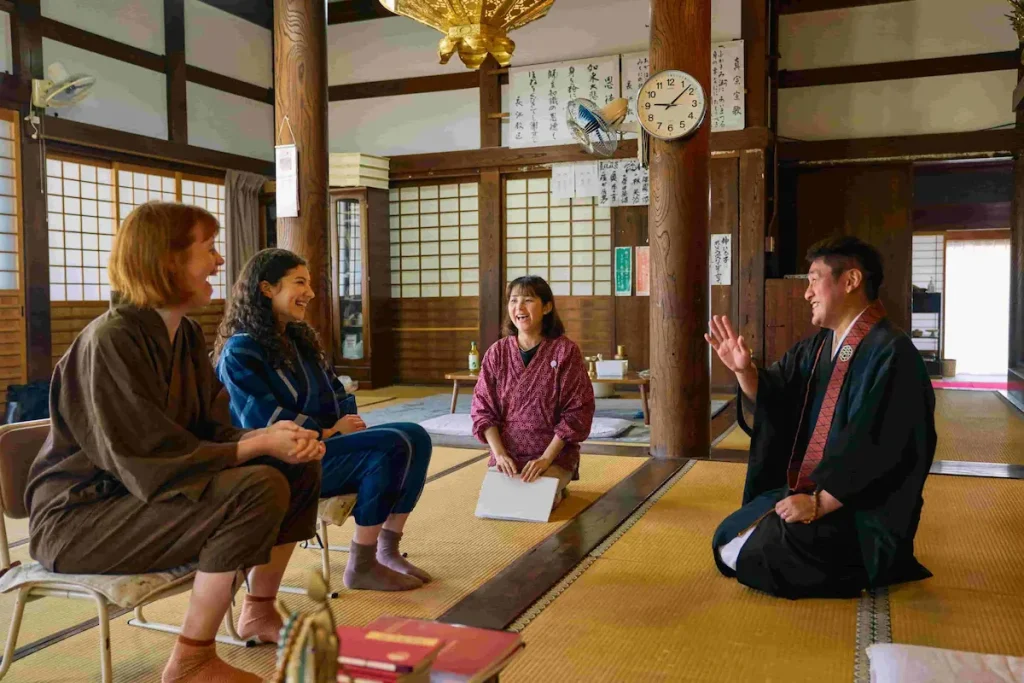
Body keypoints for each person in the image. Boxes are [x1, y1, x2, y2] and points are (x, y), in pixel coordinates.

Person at [25, 202, 324, 683]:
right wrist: (251, 447)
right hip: (81, 519)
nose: (220, 262)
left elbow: (212, 429)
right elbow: (145, 459)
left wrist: (272, 438)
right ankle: (191, 659)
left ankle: (259, 609)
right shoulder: (109, 342)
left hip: (141, 501)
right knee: (256, 486)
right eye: (209, 249)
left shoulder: (182, 333)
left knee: (294, 468)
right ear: (166, 260)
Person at [707, 236, 937, 600]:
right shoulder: (817, 348)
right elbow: (777, 398)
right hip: (815, 492)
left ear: (850, 281)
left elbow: (880, 444)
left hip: (864, 512)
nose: (807, 293)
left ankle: (870, 560)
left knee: (766, 551)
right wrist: (744, 371)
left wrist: (819, 503)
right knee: (728, 535)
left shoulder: (893, 354)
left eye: (814, 279)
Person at [214, 249, 432, 592]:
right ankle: (362, 565)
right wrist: (329, 430)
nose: (310, 293)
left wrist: (340, 423)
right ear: (267, 288)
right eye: (300, 282)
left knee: (416, 436)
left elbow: (337, 391)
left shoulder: (299, 340)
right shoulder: (241, 350)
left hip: (322, 448)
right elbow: (261, 419)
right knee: (392, 445)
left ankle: (387, 551)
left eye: (310, 283)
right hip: (284, 464)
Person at [471, 276, 595, 508]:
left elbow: (578, 412)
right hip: (507, 456)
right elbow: (482, 409)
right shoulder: (497, 353)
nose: (518, 307)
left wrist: (546, 459)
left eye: (528, 300)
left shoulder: (565, 351)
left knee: (534, 503)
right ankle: (548, 489)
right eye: (513, 300)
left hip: (552, 456)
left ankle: (557, 485)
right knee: (498, 504)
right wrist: (499, 454)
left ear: (547, 307)